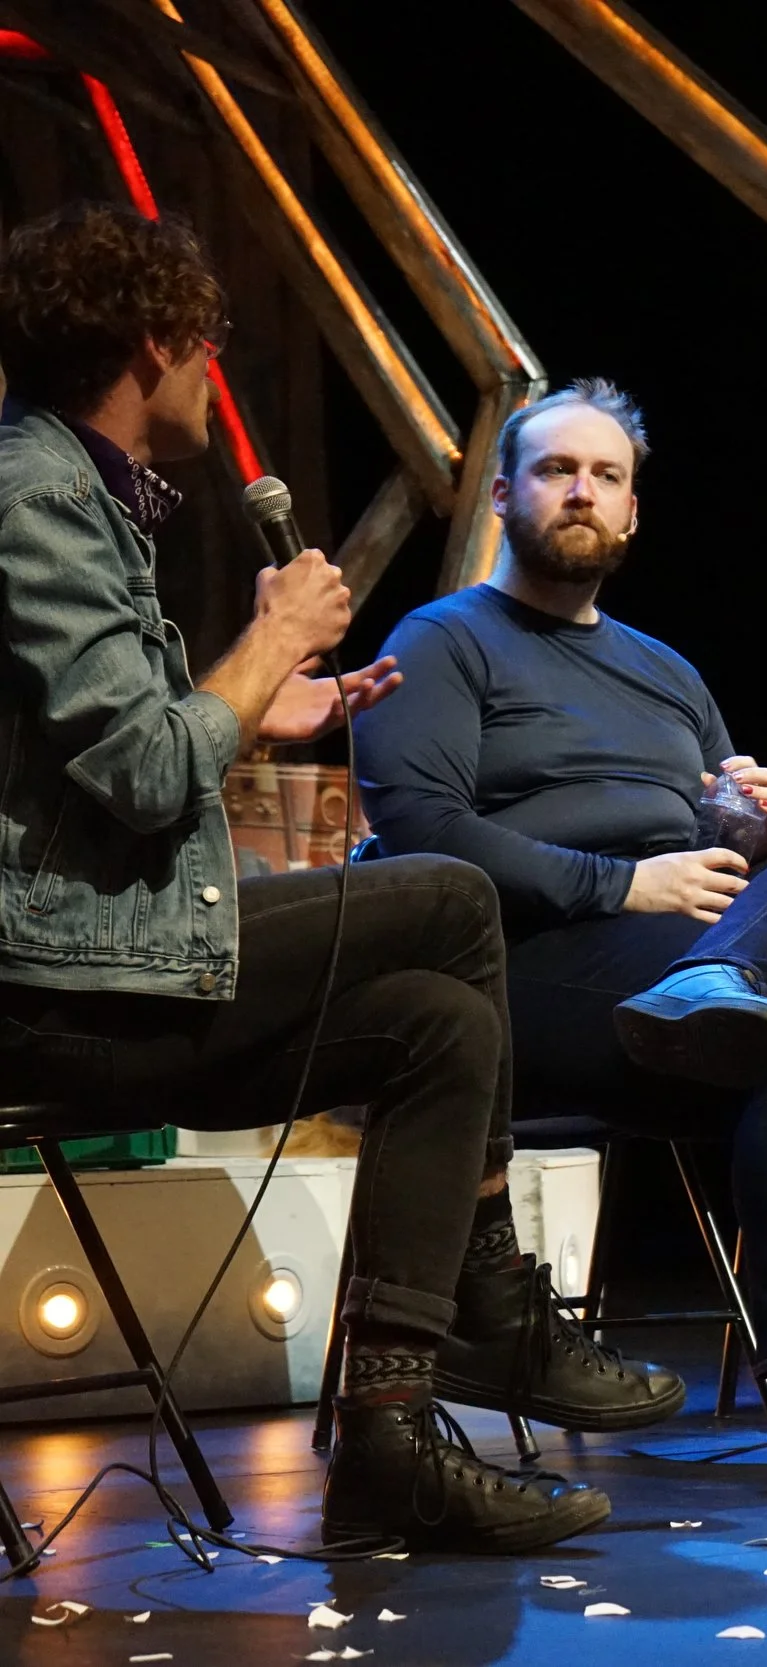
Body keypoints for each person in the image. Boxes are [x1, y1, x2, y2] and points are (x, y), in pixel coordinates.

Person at [0, 203, 632, 1554]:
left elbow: (113, 751)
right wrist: (265, 640)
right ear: (154, 339)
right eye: (206, 348)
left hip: (114, 962)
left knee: (443, 1022)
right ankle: (497, 1304)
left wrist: (254, 704)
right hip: (61, 992)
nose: (208, 378)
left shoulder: (70, 485)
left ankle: (391, 1444)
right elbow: (145, 770)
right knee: (454, 897)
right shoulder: (38, 493)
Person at [354, 379, 767, 1468]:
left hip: (685, 959)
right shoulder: (445, 639)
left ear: (632, 513)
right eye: (556, 470)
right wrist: (619, 886)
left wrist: (756, 834)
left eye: (606, 477)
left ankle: (725, 985)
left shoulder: (666, 671)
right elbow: (422, 833)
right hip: (518, 971)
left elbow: (714, 837)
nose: (582, 491)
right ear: (502, 494)